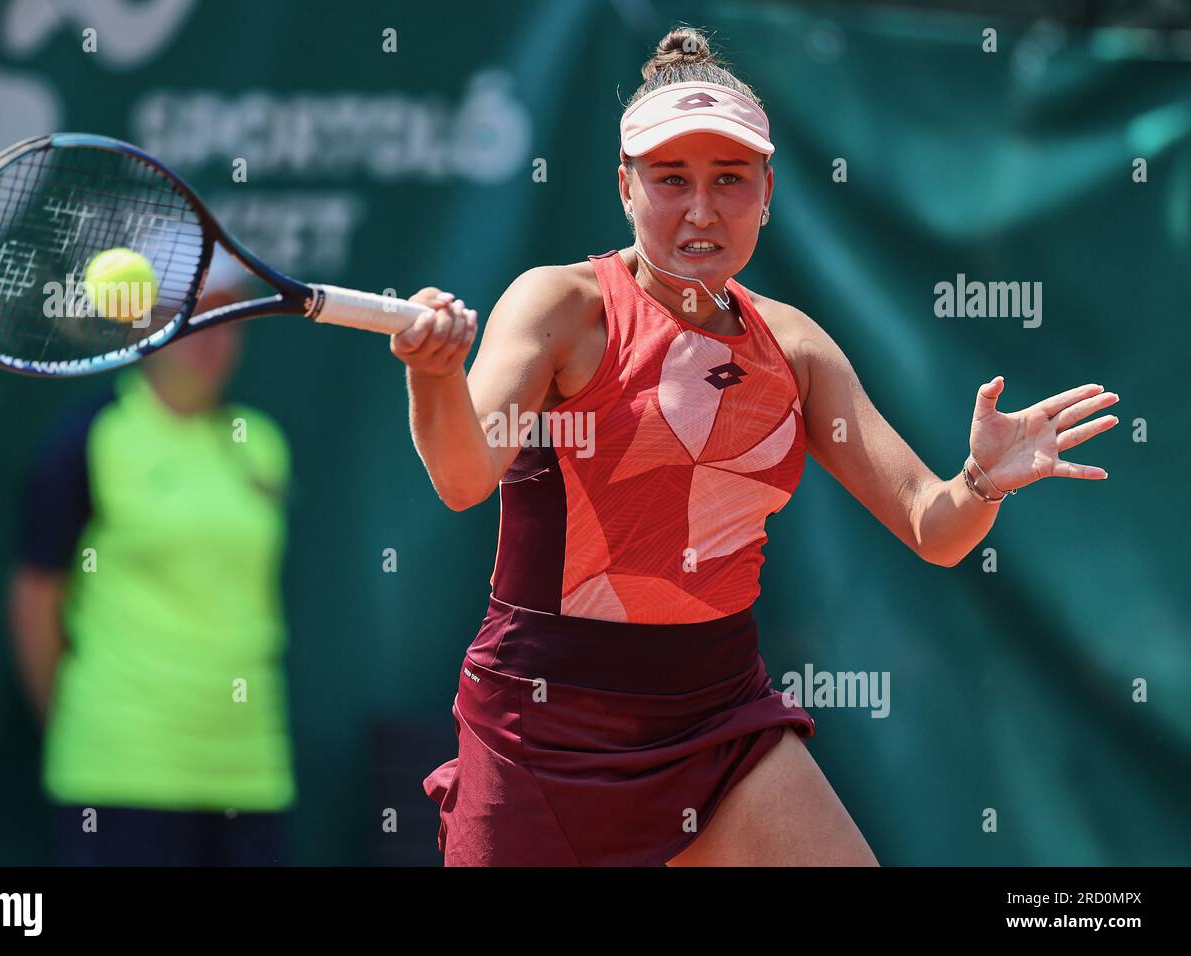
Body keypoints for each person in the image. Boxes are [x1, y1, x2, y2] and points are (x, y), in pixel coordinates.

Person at [389, 26, 1119, 866]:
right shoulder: (559, 306)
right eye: (671, 180)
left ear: (767, 192)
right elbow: (460, 475)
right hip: (543, 731)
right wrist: (433, 377)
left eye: (729, 180)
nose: (702, 210)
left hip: (719, 722)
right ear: (624, 187)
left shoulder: (795, 348)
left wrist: (983, 480)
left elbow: (934, 526)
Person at [8, 266, 296, 866]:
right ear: (152, 330)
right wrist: (77, 726)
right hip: (120, 769)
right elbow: (36, 599)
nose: (213, 335)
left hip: (250, 767)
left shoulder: (263, 444)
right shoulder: (90, 439)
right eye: (195, 316)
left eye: (228, 317)